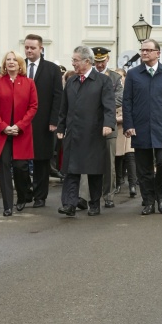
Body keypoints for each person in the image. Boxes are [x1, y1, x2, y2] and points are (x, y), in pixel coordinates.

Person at [122, 39, 162, 215]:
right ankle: (148, 200)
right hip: (140, 127)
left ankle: (161, 196)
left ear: (158, 53)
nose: (144, 53)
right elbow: (127, 102)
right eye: (142, 50)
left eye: (148, 50)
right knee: (144, 168)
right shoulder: (133, 74)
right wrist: (129, 125)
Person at [56, 46, 116, 217]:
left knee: (94, 170)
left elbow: (109, 106)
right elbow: (63, 108)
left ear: (87, 61)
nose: (73, 63)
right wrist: (61, 127)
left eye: (75, 60)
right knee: (71, 170)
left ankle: (94, 203)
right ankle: (69, 204)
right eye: (73, 60)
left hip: (94, 133)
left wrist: (108, 124)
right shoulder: (71, 82)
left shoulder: (102, 81)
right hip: (73, 133)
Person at [0, 51, 38, 216]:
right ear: (4, 63)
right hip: (2, 133)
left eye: (14, 60)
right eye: (8, 60)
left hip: (21, 132)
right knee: (3, 168)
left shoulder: (29, 83)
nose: (11, 62)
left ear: (19, 64)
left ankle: (23, 197)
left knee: (20, 167)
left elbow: (33, 107)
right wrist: (2, 126)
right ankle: (7, 205)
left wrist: (20, 125)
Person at [22, 34, 63, 209]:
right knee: (20, 161)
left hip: (44, 121)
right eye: (27, 47)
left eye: (33, 48)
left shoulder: (52, 69)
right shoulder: (19, 66)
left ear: (41, 49)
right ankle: (25, 194)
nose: (29, 50)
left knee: (41, 161)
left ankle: (40, 196)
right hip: (20, 121)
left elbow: (58, 96)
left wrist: (54, 120)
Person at [89, 47, 124, 208]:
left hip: (109, 124)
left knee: (109, 163)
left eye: (102, 61)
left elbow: (119, 98)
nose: (99, 65)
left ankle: (108, 195)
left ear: (107, 60)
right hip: (90, 127)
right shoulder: (89, 75)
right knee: (88, 161)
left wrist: (97, 104)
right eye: (97, 61)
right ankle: (87, 196)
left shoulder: (115, 77)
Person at [114, 69, 138, 198]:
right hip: (116, 127)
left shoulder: (131, 88)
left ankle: (132, 185)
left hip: (128, 125)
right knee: (117, 157)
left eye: (121, 76)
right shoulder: (113, 90)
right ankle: (118, 182)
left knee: (130, 156)